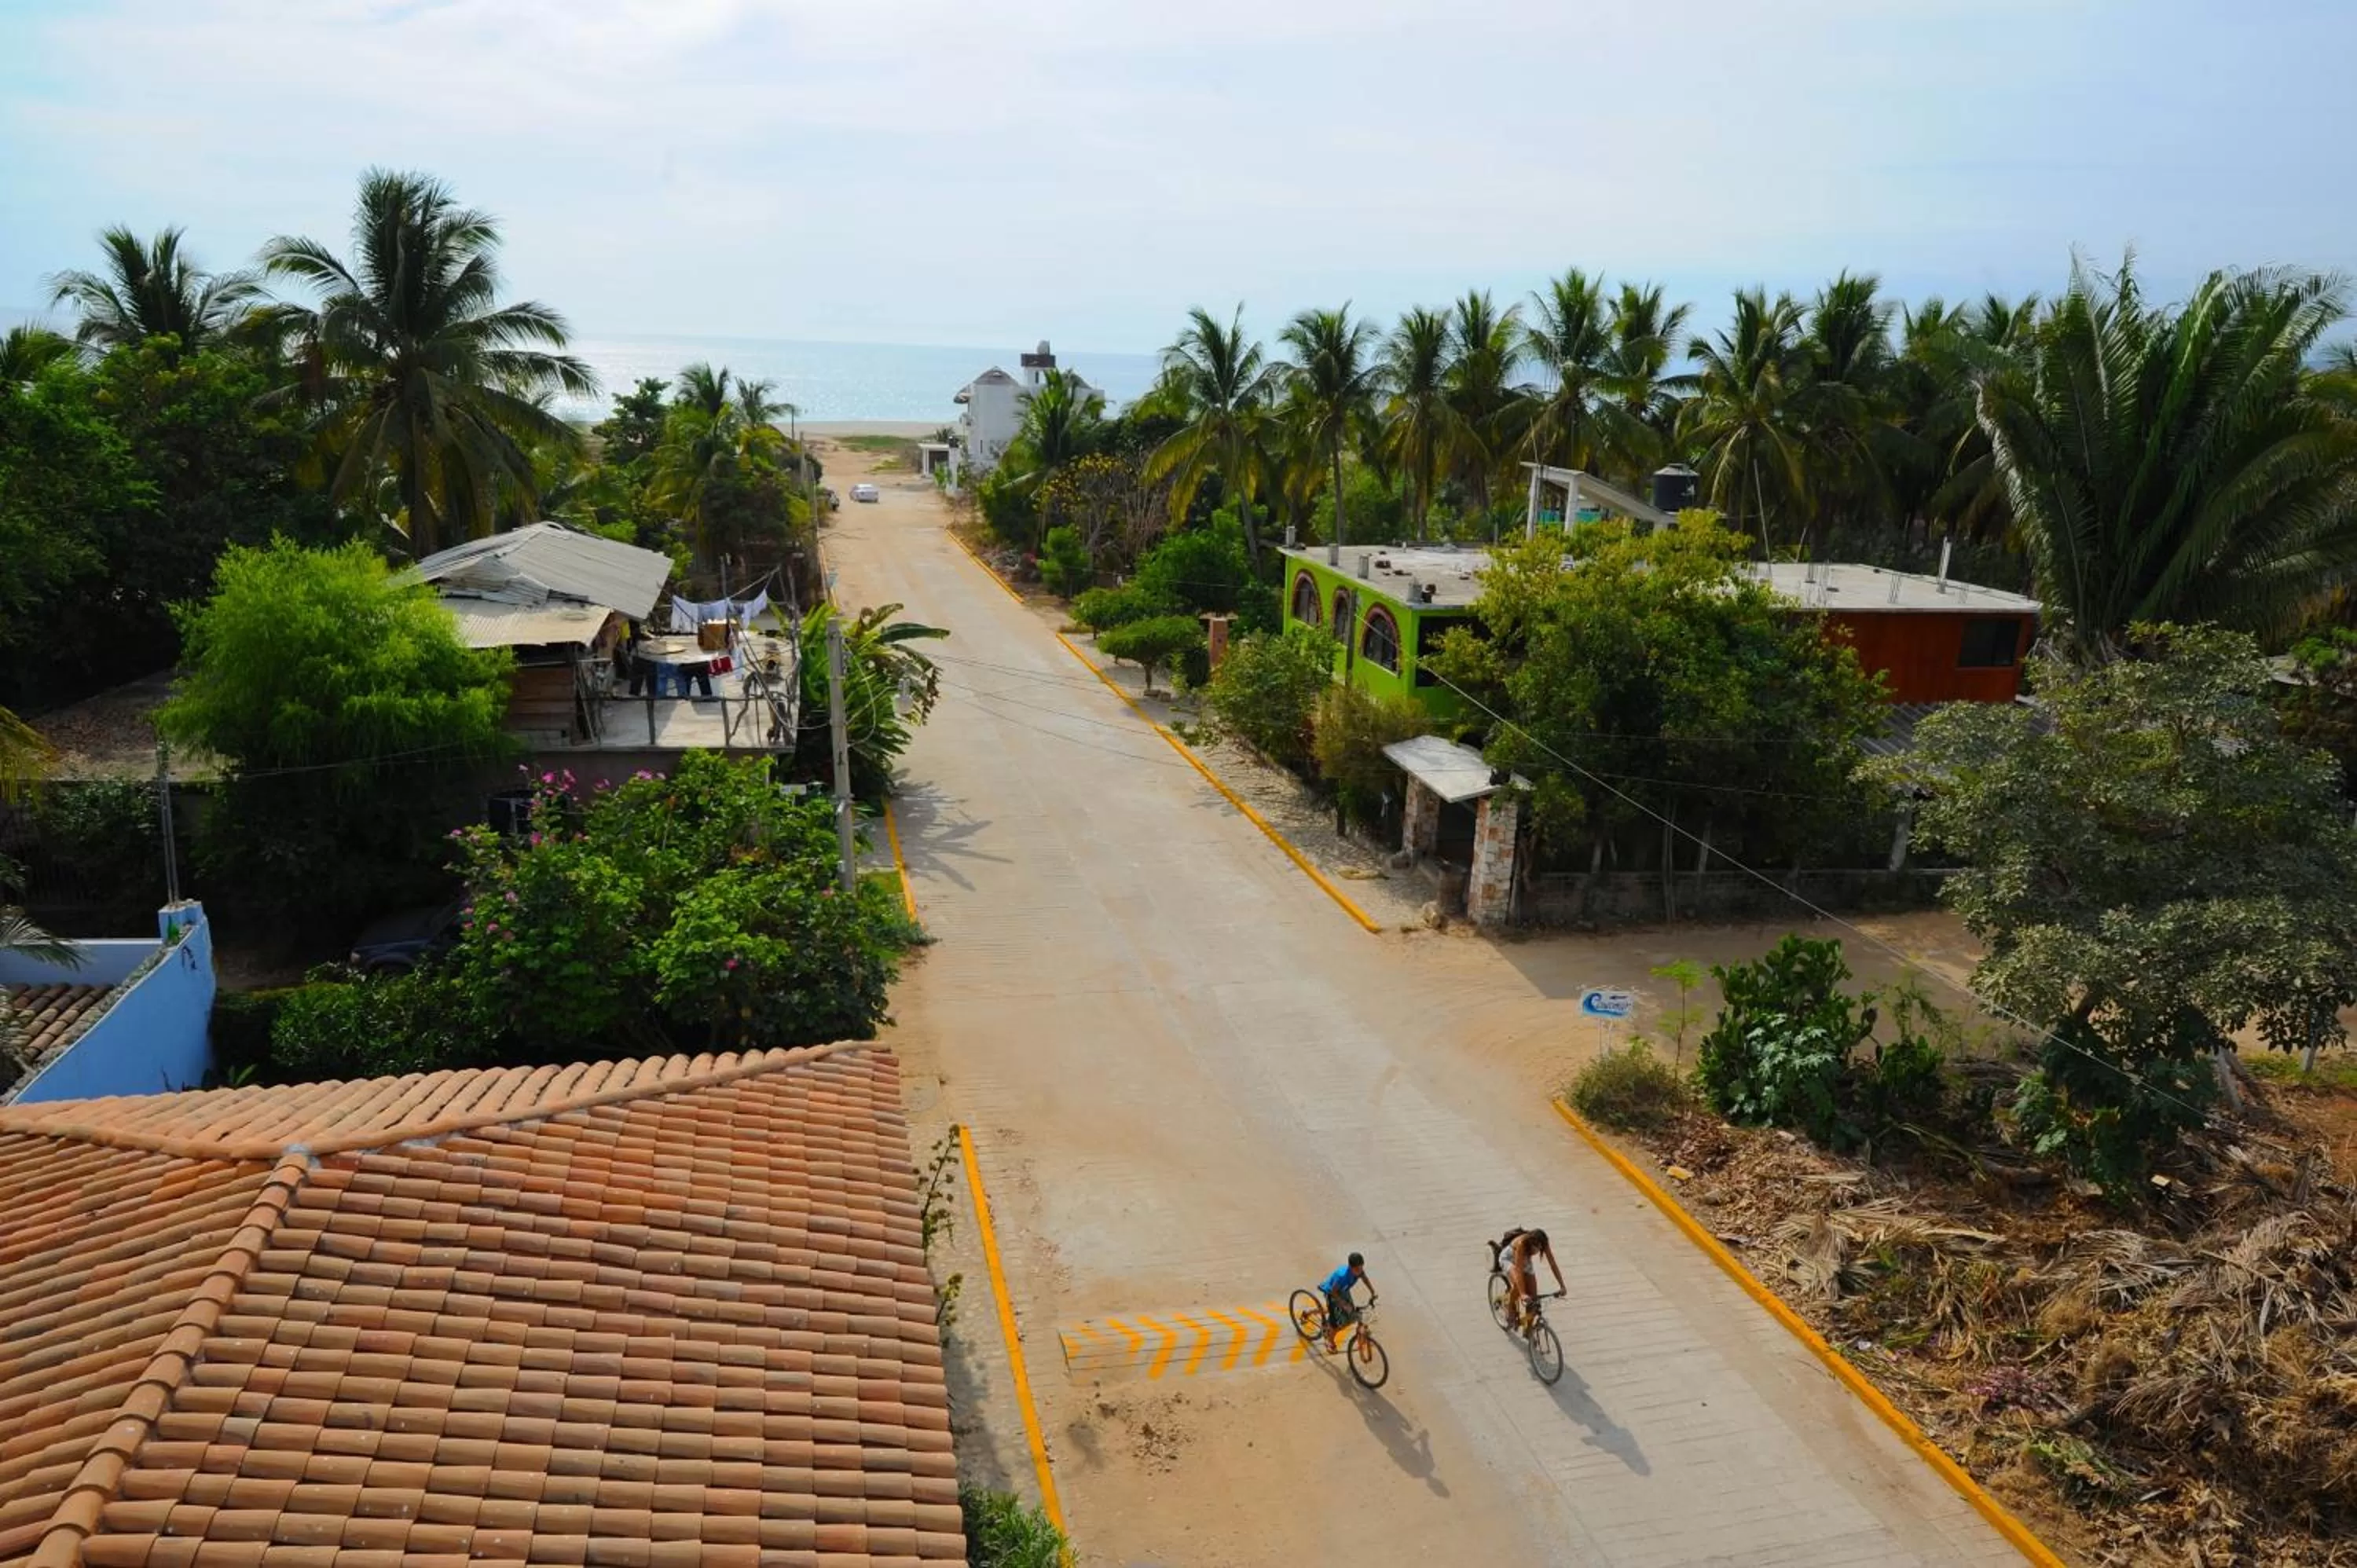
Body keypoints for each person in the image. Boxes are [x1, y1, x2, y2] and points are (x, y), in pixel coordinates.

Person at [1494, 1227, 1564, 1335]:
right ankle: (1510, 1307)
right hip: (1509, 1258)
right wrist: (1523, 1294)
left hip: (1525, 1259)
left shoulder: (1543, 1243)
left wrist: (1562, 1285)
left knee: (1533, 1299)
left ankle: (1528, 1331)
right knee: (1518, 1286)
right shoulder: (1522, 1244)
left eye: (1539, 1248)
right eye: (1535, 1247)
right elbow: (1518, 1271)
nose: (1537, 1250)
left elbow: (1553, 1264)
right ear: (1530, 1242)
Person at [1319, 1251, 1373, 1351]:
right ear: (1350, 1267)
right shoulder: (1342, 1276)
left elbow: (1365, 1279)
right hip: (1332, 1293)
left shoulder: (1359, 1271)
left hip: (1343, 1290)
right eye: (1357, 1269)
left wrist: (1373, 1292)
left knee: (1353, 1314)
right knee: (1338, 1323)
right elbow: (1333, 1292)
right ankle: (1329, 1340)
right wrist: (1344, 1304)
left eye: (1361, 1268)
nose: (1360, 1271)